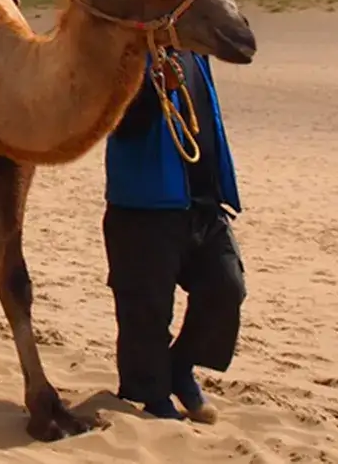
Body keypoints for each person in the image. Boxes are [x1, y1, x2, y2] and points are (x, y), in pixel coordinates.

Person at [102, 47, 247, 423]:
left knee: (226, 287)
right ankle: (153, 400)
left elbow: (240, 39)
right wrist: (154, 93)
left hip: (203, 202)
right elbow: (114, 123)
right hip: (143, 207)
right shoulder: (121, 52)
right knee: (146, 312)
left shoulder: (196, 49)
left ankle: (179, 367)